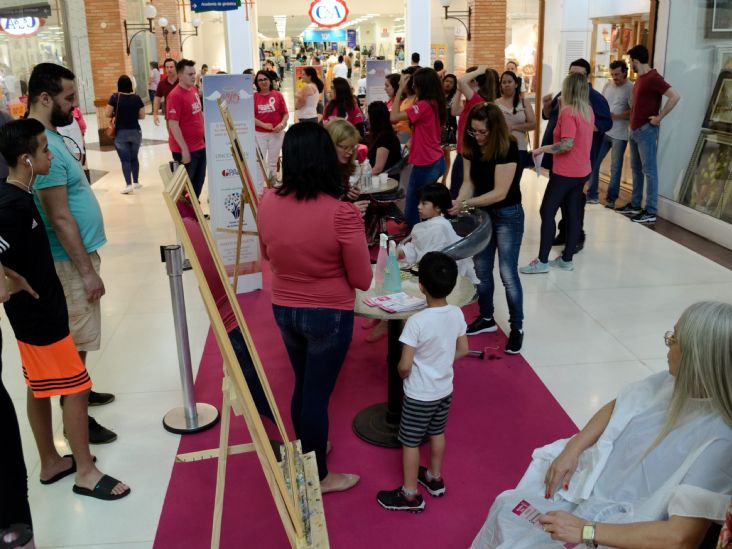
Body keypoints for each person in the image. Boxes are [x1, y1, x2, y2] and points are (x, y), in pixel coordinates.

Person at [470, 300, 732, 549]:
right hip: (596, 492)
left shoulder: (719, 441)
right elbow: (620, 406)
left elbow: (680, 538)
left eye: (674, 340)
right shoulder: (669, 382)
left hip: (624, 525)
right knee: (508, 506)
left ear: (698, 357)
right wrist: (573, 448)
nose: (667, 344)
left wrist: (586, 530)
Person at [0, 118, 130, 501]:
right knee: (76, 387)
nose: (49, 154)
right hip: (40, 318)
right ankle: (86, 472)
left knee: (39, 387)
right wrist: (7, 281)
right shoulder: (12, 206)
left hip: (37, 313)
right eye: (43, 149)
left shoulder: (20, 196)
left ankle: (51, 461)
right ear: (26, 158)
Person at [258, 122, 372, 494]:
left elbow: (267, 255)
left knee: (304, 386)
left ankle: (310, 448)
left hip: (284, 307)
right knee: (315, 393)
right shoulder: (341, 213)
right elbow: (363, 279)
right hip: (328, 312)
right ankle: (319, 475)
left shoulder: (267, 200)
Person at [28, 63, 117, 444]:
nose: (74, 105)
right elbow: (59, 217)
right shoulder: (37, 144)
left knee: (78, 338)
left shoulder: (51, 137)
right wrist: (87, 271)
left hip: (72, 257)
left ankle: (78, 393)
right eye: (68, 97)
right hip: (66, 261)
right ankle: (74, 409)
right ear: (44, 98)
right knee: (75, 338)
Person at [376, 251, 468, 512]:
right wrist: (441, 364)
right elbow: (462, 349)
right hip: (444, 389)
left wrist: (404, 374)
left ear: (421, 286)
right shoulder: (457, 314)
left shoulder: (416, 322)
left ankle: (409, 494)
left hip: (419, 394)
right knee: (437, 433)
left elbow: (404, 365)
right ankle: (434, 478)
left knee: (411, 442)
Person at [450, 102, 526, 353]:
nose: (479, 136)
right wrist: (460, 201)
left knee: (507, 272)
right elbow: (468, 182)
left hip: (507, 214)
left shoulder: (508, 146)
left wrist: (466, 204)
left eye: (483, 132)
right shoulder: (471, 144)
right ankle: (486, 317)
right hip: (482, 215)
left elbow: (500, 193)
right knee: (482, 269)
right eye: (474, 131)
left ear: (495, 130)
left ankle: (517, 328)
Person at [521, 73, 595, 274]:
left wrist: (543, 148)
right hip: (582, 171)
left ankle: (543, 261)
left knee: (547, 211)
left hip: (565, 172)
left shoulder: (569, 112)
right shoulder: (587, 110)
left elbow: (567, 144)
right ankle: (567, 259)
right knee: (572, 213)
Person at [541, 59, 611, 252]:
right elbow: (549, 116)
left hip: (575, 159)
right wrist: (546, 106)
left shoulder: (594, 98)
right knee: (565, 201)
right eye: (571, 74)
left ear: (587, 77)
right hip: (559, 157)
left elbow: (606, 123)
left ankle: (576, 236)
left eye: (578, 75)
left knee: (573, 201)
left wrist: (585, 130)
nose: (573, 78)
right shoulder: (563, 94)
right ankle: (565, 234)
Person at [616, 44, 681, 224]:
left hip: (646, 131)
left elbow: (675, 96)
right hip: (635, 130)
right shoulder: (641, 79)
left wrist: (659, 117)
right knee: (636, 170)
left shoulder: (653, 78)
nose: (631, 65)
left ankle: (650, 211)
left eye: (631, 62)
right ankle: (636, 205)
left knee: (649, 171)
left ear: (636, 61)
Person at [390, 68, 447, 227]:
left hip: (426, 164)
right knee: (427, 209)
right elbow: (425, 128)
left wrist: (400, 89)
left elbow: (393, 117)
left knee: (413, 211)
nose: (413, 88)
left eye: (415, 85)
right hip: (435, 160)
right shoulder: (435, 103)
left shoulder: (423, 105)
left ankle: (416, 245)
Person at [400, 183, 478, 283]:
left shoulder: (439, 228)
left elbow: (431, 259)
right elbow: (418, 247)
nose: (419, 207)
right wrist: (403, 251)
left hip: (441, 277)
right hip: (427, 269)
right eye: (419, 202)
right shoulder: (426, 226)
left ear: (437, 207)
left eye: (424, 203)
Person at [451, 66, 500, 199]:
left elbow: (461, 80)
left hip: (468, 153)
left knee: (459, 194)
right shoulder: (472, 100)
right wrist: (459, 91)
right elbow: (454, 111)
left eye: (470, 78)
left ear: (475, 82)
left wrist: (478, 71)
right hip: (463, 151)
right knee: (457, 192)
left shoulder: (477, 100)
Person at [591, 60, 632, 209]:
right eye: (612, 74)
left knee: (615, 168)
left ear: (624, 72)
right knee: (594, 161)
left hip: (619, 135)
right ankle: (592, 195)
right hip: (604, 131)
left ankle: (611, 199)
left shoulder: (630, 88)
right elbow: (600, 103)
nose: (615, 77)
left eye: (617, 74)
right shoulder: (608, 85)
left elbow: (633, 112)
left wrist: (618, 115)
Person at [166, 59, 206, 198]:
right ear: (180, 76)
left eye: (194, 73)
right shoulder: (175, 95)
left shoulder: (194, 89)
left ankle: (195, 215)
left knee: (198, 183)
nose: (193, 76)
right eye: (189, 74)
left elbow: (199, 114)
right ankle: (186, 217)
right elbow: (173, 124)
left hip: (200, 146)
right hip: (186, 150)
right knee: (186, 188)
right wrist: (184, 149)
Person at [105, 75, 145, 194]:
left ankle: (128, 185)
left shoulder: (114, 97)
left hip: (121, 133)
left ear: (118, 85)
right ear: (130, 85)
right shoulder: (136, 98)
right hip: (135, 132)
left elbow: (107, 113)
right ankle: (136, 182)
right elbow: (142, 116)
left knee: (125, 160)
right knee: (134, 158)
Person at [496, 71, 535, 170]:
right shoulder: (495, 103)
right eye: (504, 82)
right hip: (500, 148)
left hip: (520, 148)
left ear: (516, 84)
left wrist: (513, 127)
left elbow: (533, 124)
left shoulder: (524, 102)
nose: (507, 85)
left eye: (509, 82)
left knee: (515, 182)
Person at [254, 70, 288, 180]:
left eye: (265, 79)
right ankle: (259, 190)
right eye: (260, 80)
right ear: (257, 83)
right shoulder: (254, 97)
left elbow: (285, 114)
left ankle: (272, 187)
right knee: (260, 163)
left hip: (277, 134)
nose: (263, 82)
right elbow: (250, 117)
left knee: (273, 163)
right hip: (260, 134)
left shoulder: (278, 95)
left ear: (270, 81)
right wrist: (264, 125)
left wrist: (282, 124)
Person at [366, 101, 402, 178]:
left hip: (386, 182)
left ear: (373, 118)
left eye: (368, 116)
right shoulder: (385, 134)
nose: (367, 119)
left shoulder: (385, 138)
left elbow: (378, 168)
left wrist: (363, 178)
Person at [440, 73, 458, 185]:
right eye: (446, 81)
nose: (448, 84)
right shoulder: (437, 95)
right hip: (436, 127)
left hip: (449, 128)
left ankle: (444, 180)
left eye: (451, 82)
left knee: (446, 154)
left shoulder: (455, 97)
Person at [153, 58, 177, 126]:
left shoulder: (181, 81)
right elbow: (157, 99)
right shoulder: (162, 83)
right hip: (169, 115)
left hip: (184, 115)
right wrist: (155, 114)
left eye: (171, 67)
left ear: (176, 68)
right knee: (171, 136)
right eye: (167, 67)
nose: (169, 69)